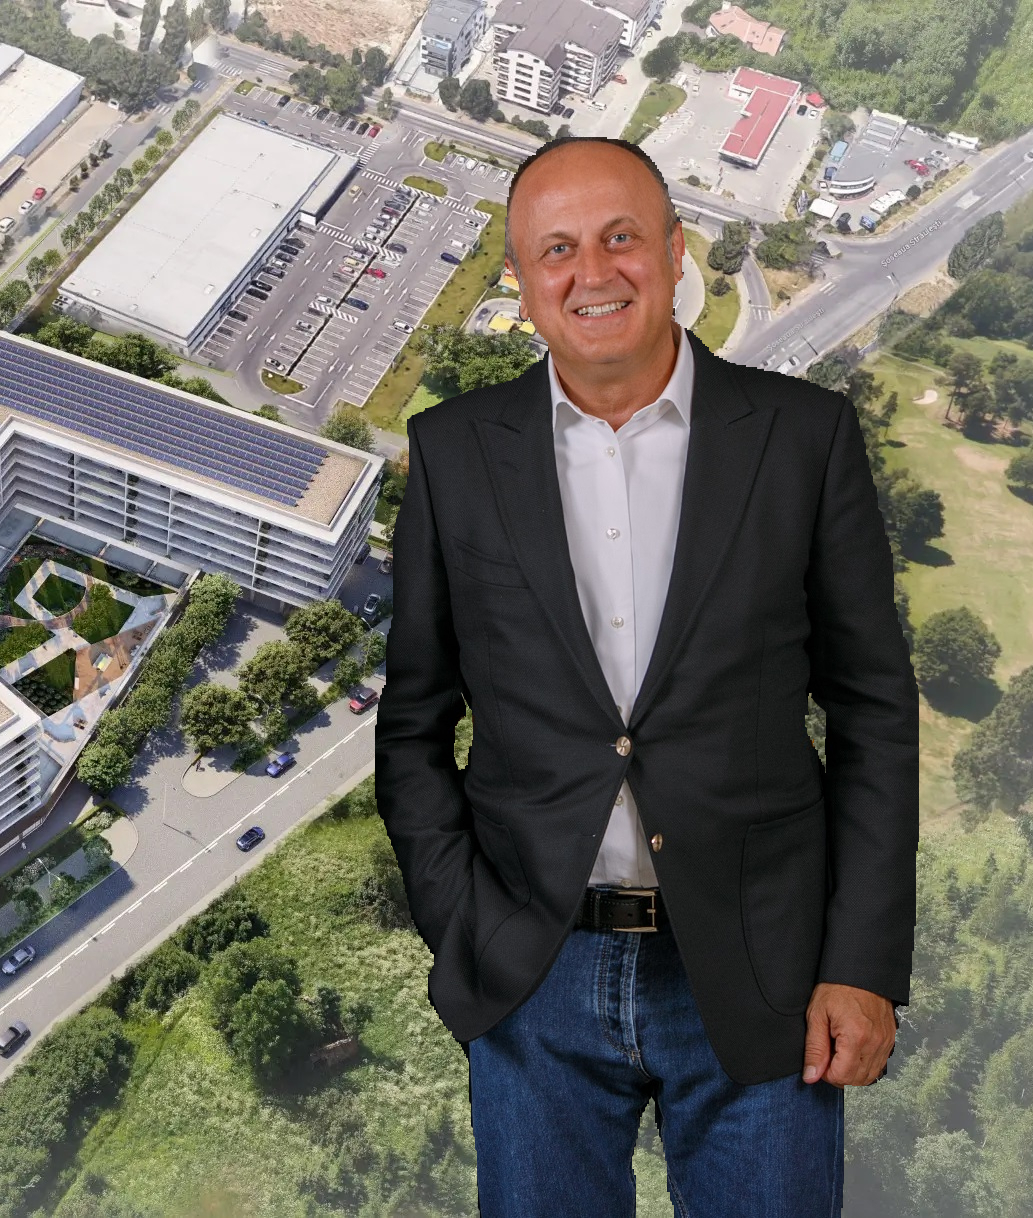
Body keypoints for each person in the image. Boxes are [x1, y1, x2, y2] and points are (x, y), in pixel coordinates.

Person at [375, 137, 917, 1215]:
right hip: (535, 977)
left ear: (673, 252)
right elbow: (414, 723)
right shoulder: (452, 452)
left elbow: (873, 713)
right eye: (557, 250)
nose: (593, 272)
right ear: (523, 281)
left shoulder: (802, 440)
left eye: (621, 237)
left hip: (766, 973)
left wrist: (862, 963)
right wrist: (464, 927)